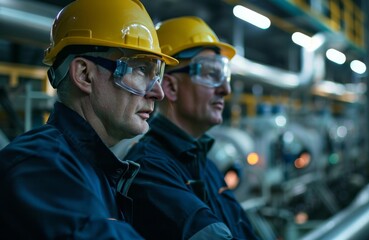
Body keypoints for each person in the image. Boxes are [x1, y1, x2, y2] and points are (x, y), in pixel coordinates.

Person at [0, 0, 177, 239]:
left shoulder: (94, 168)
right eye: (140, 70)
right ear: (84, 75)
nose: (158, 93)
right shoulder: (40, 167)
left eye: (157, 74)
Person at [125, 16, 259, 239]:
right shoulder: (149, 169)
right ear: (170, 87)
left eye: (224, 75)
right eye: (210, 74)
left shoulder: (205, 162)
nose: (225, 89)